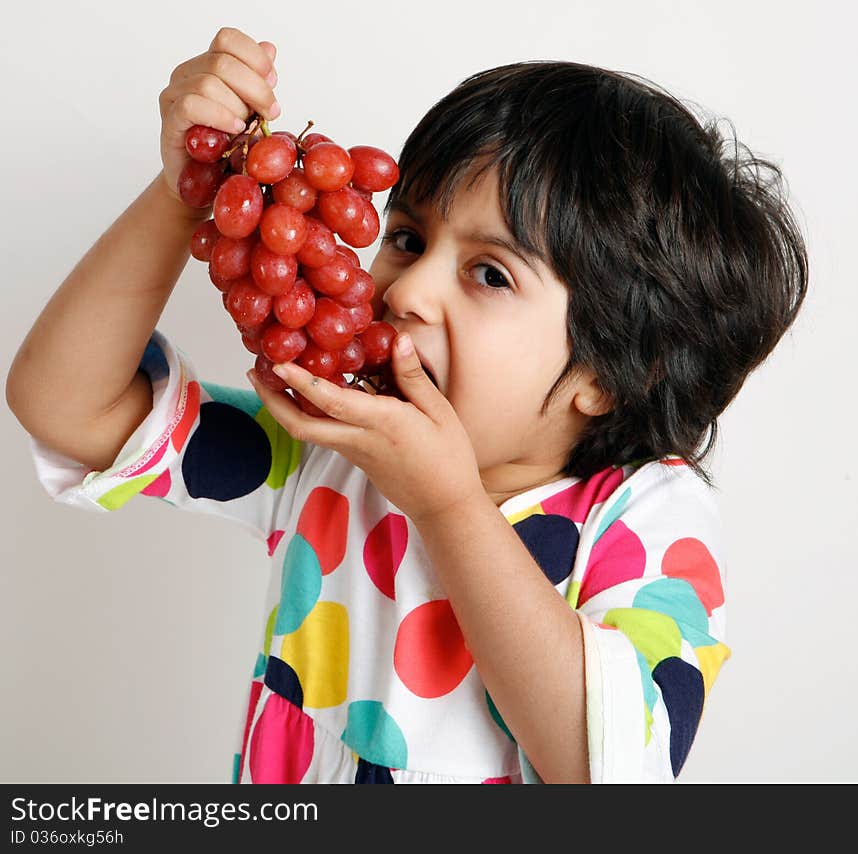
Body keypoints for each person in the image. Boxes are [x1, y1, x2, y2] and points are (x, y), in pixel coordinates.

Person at [5, 26, 808, 784]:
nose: (408, 291)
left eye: (491, 273)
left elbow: (603, 769)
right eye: (409, 239)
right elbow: (64, 405)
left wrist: (449, 505)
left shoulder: (649, 522)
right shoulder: (332, 454)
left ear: (610, 373)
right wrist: (187, 188)